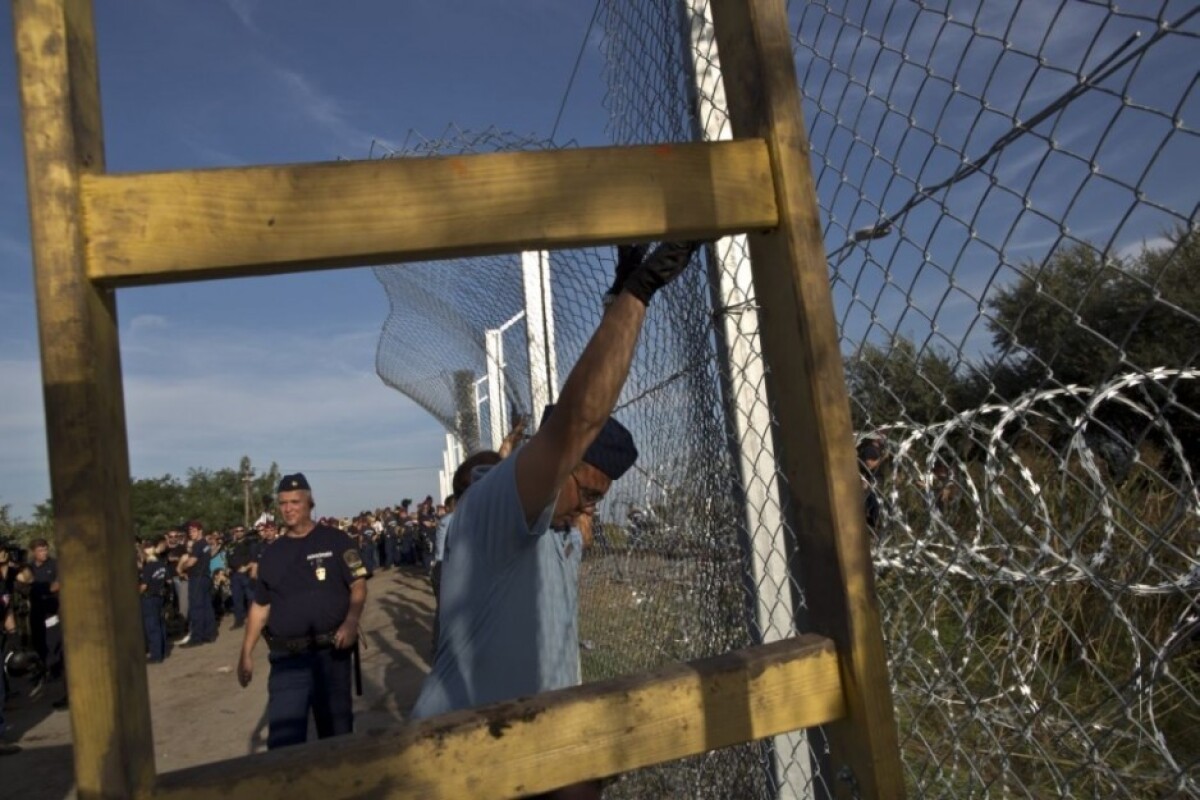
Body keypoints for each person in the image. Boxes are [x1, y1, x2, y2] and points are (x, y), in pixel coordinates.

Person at [411, 241, 695, 732]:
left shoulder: (556, 526)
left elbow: (592, 404)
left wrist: (614, 305)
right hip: (466, 748)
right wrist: (639, 292)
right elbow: (581, 417)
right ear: (554, 463)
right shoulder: (493, 507)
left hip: (531, 742)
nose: (586, 515)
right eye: (587, 497)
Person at [237, 473, 369, 750]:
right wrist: (246, 654)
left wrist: (351, 621)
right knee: (284, 742)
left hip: (330, 655)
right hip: (287, 662)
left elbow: (358, 585)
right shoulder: (271, 553)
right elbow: (260, 606)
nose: (288, 508)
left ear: (310, 503)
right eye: (283, 503)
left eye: (295, 501)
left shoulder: (337, 540)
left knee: (337, 739)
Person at [27, 539, 63, 683]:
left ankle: (55, 670)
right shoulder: (29, 568)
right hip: (36, 610)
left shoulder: (54, 564)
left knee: (52, 641)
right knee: (38, 641)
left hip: (51, 610)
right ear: (33, 552)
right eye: (40, 550)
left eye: (45, 549)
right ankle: (44, 670)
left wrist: (40, 587)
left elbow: (57, 585)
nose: (44, 553)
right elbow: (23, 585)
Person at [177, 520, 216, 647]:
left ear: (200, 531)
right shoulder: (205, 544)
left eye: (193, 531)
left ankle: (197, 637)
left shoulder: (198, 545)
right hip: (205, 577)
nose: (191, 533)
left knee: (196, 608)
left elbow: (191, 562)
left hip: (197, 579)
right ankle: (209, 634)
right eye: (190, 531)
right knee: (206, 607)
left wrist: (181, 566)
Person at [138, 538, 169, 663]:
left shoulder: (148, 568)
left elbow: (144, 586)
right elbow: (168, 580)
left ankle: (156, 655)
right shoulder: (161, 564)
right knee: (160, 625)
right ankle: (163, 651)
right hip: (159, 596)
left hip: (149, 598)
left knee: (152, 627)